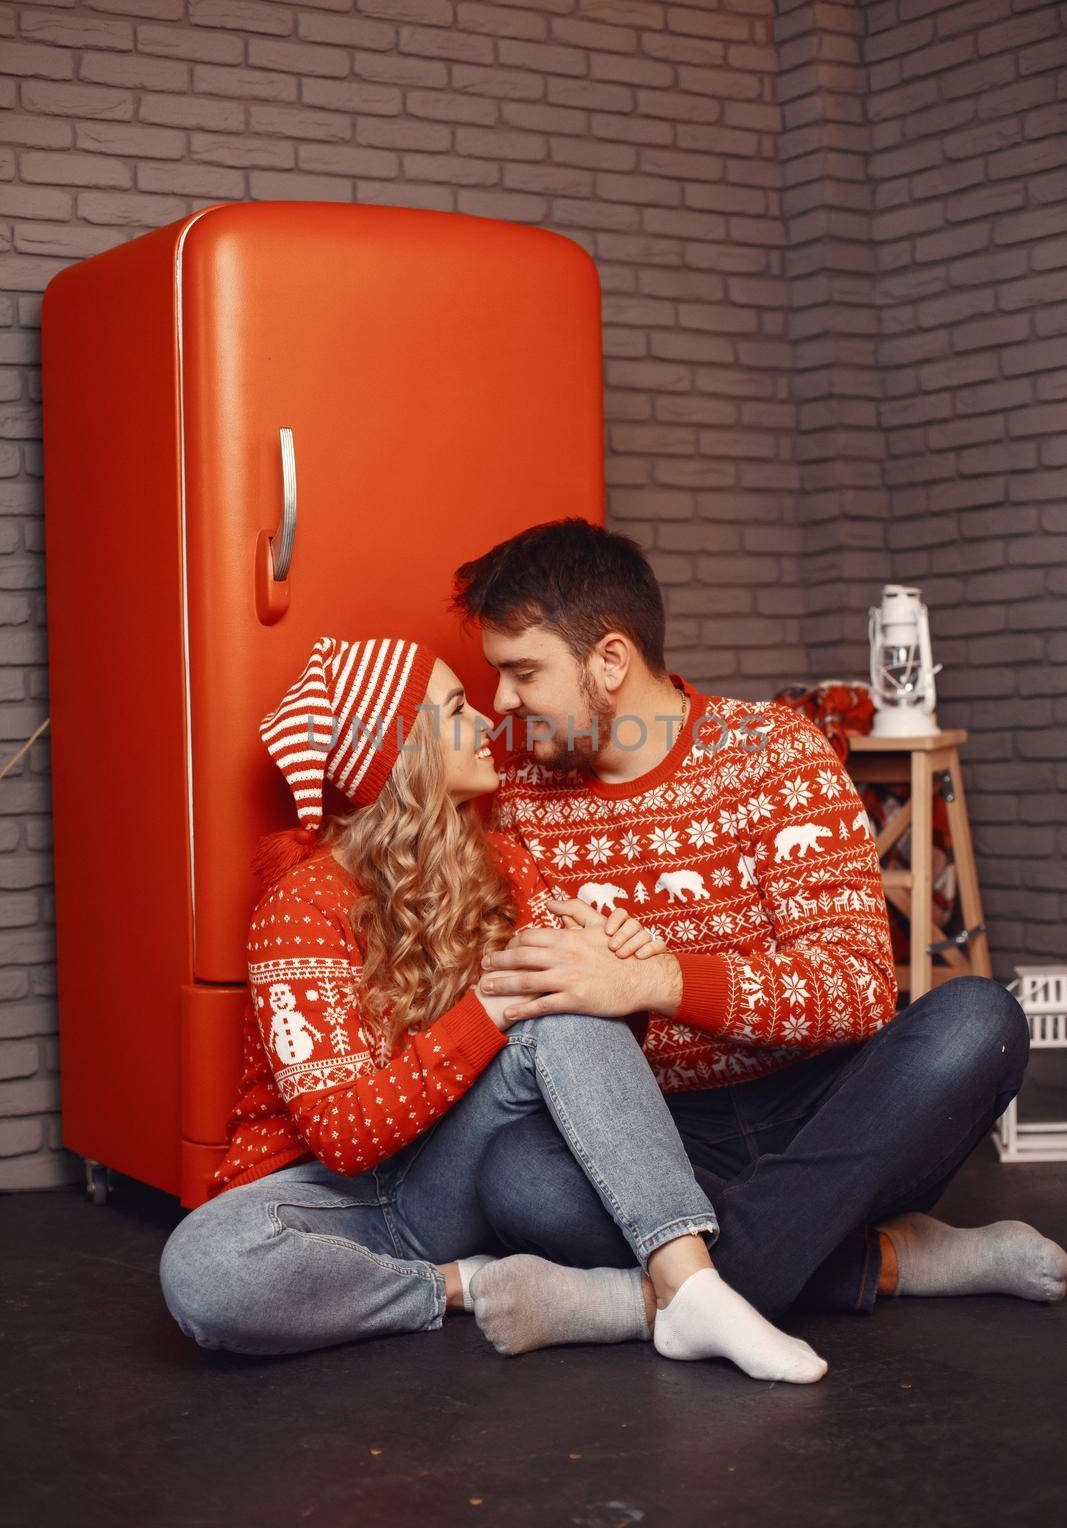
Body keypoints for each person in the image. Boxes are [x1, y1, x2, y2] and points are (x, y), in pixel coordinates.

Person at [441, 517, 1066, 1355]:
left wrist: (653, 979)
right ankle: (894, 1261)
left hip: (825, 1112)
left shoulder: (773, 753)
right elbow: (545, 997)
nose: (501, 705)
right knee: (515, 1172)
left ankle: (648, 1298)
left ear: (610, 662)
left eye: (522, 673)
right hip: (659, 1142)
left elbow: (853, 990)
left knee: (978, 1021)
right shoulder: (517, 786)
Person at [158, 634, 830, 1382]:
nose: (486, 721)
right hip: (329, 1201)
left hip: (454, 1173)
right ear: (401, 750)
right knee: (204, 1270)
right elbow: (343, 1140)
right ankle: (468, 1283)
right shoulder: (301, 906)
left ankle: (689, 1286)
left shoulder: (504, 862)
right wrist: (490, 1006)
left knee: (566, 1007)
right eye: (454, 708)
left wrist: (618, 975)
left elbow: (579, 1043)